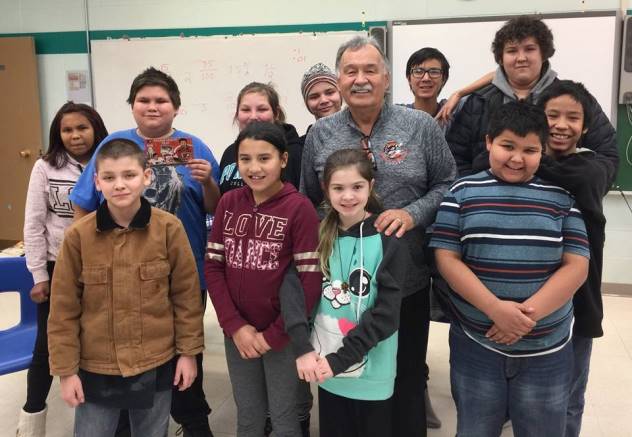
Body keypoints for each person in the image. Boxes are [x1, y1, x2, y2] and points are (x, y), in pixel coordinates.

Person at [300, 35, 456, 437]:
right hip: (340, 287)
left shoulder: (419, 126)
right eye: (351, 71)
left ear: (387, 78)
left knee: (404, 379)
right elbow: (308, 201)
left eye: (370, 70)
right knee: (343, 373)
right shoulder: (321, 133)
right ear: (339, 80)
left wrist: (412, 212)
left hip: (406, 281)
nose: (361, 79)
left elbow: (447, 184)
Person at [69, 67, 219, 437]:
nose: (153, 107)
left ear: (176, 107)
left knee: (184, 350)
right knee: (124, 345)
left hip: (184, 267)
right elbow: (84, 203)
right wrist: (83, 253)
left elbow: (215, 207)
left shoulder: (195, 147)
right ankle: (123, 423)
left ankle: (190, 420)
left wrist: (208, 180)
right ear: (132, 106)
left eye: (161, 101)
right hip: (118, 268)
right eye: (144, 101)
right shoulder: (114, 147)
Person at [430, 101, 590, 437]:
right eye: (507, 146)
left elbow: (576, 266)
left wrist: (522, 318)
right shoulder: (461, 192)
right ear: (489, 141)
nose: (517, 159)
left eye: (530, 150)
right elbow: (446, 259)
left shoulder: (561, 198)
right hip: (477, 344)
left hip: (547, 349)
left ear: (542, 150)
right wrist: (495, 310)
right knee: (475, 428)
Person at [47, 139, 205, 437]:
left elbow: (186, 298)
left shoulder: (169, 229)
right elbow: (63, 310)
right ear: (96, 182)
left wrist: (187, 353)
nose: (119, 185)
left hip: (155, 360)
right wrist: (66, 372)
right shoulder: (78, 237)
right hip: (96, 365)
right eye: (109, 177)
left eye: (129, 175)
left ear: (146, 176)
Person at [205, 121, 321, 437]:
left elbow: (309, 281)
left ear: (283, 160)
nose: (254, 167)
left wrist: (275, 334)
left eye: (264, 158)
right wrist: (234, 326)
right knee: (249, 416)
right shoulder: (228, 203)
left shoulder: (300, 208)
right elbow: (214, 268)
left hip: (282, 335)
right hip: (237, 334)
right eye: (245, 159)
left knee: (284, 418)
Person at [299, 148, 406, 436]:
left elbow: (386, 315)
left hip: (371, 373)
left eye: (357, 187)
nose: (348, 196)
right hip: (328, 371)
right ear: (326, 190)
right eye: (338, 188)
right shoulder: (320, 234)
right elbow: (300, 296)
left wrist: (339, 361)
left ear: (371, 187)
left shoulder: (389, 239)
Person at [17, 102, 108, 437]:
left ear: (95, 128)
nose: (75, 136)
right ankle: (31, 419)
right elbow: (33, 225)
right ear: (58, 134)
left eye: (82, 128)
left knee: (96, 341)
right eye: (67, 130)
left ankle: (99, 416)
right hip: (59, 266)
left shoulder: (109, 160)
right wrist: (39, 275)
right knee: (47, 345)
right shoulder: (45, 167)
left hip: (100, 267)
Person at [535, 80, 616, 437]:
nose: (561, 125)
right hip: (529, 296)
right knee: (533, 394)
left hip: (578, 298)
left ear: (585, 127)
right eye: (552, 115)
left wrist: (526, 163)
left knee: (569, 393)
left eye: (572, 117)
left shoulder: (592, 168)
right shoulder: (526, 162)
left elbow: (576, 174)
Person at [446, 15, 618, 177]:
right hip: (488, 204)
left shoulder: (575, 99)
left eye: (529, 49)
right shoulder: (477, 102)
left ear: (543, 54)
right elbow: (455, 157)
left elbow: (607, 154)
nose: (521, 58)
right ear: (501, 58)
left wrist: (578, 189)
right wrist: (474, 193)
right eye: (512, 51)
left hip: (559, 205)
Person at [219, 82, 303, 194]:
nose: (253, 116)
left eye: (262, 109)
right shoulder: (229, 152)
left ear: (276, 113)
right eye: (246, 110)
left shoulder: (296, 152)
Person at [299, 62, 343, 141]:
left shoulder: (363, 134)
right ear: (307, 104)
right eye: (314, 97)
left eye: (330, 93)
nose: (323, 100)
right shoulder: (301, 146)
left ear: (340, 94)